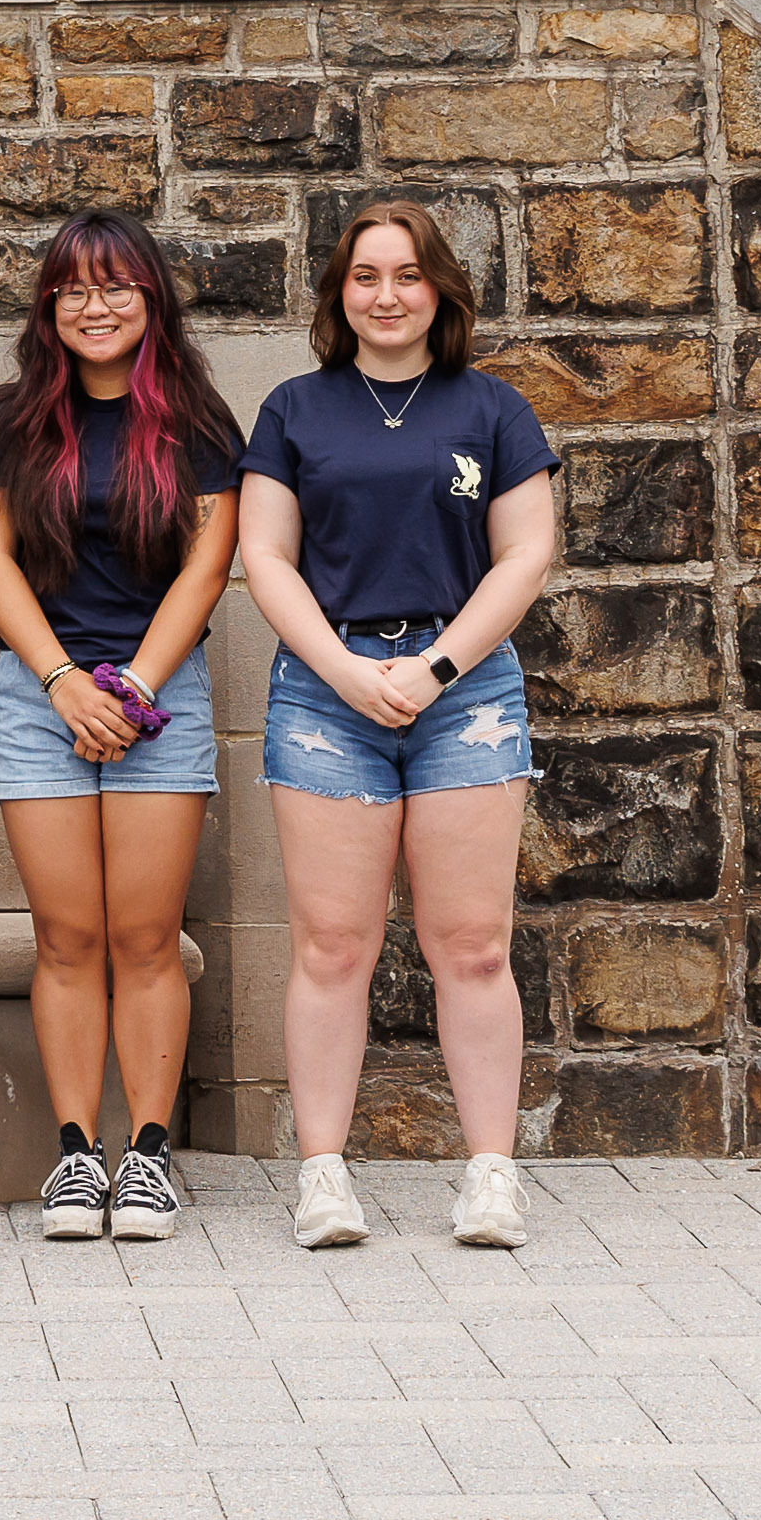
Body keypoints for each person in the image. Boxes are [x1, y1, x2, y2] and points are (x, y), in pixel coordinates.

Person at [237, 204, 562, 1253]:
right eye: (366, 276)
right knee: (333, 945)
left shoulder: (494, 409)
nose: (386, 295)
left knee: (470, 945)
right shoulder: (293, 410)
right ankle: (325, 1176)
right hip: (325, 686)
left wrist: (431, 670)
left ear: (441, 291)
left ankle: (490, 1175)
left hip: (463, 692)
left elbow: (523, 556)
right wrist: (343, 668)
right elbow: (266, 558)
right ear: (340, 293)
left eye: (408, 275)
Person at [0, 213, 240, 1242]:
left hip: (162, 699)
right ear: (49, 308)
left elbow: (209, 569)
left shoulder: (200, 425)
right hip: (41, 696)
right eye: (75, 289)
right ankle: (77, 1159)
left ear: (151, 299)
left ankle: (150, 1156)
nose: (96, 305)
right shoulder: (1, 422)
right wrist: (67, 681)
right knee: (69, 937)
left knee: (146, 935)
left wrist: (131, 690)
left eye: (118, 286)